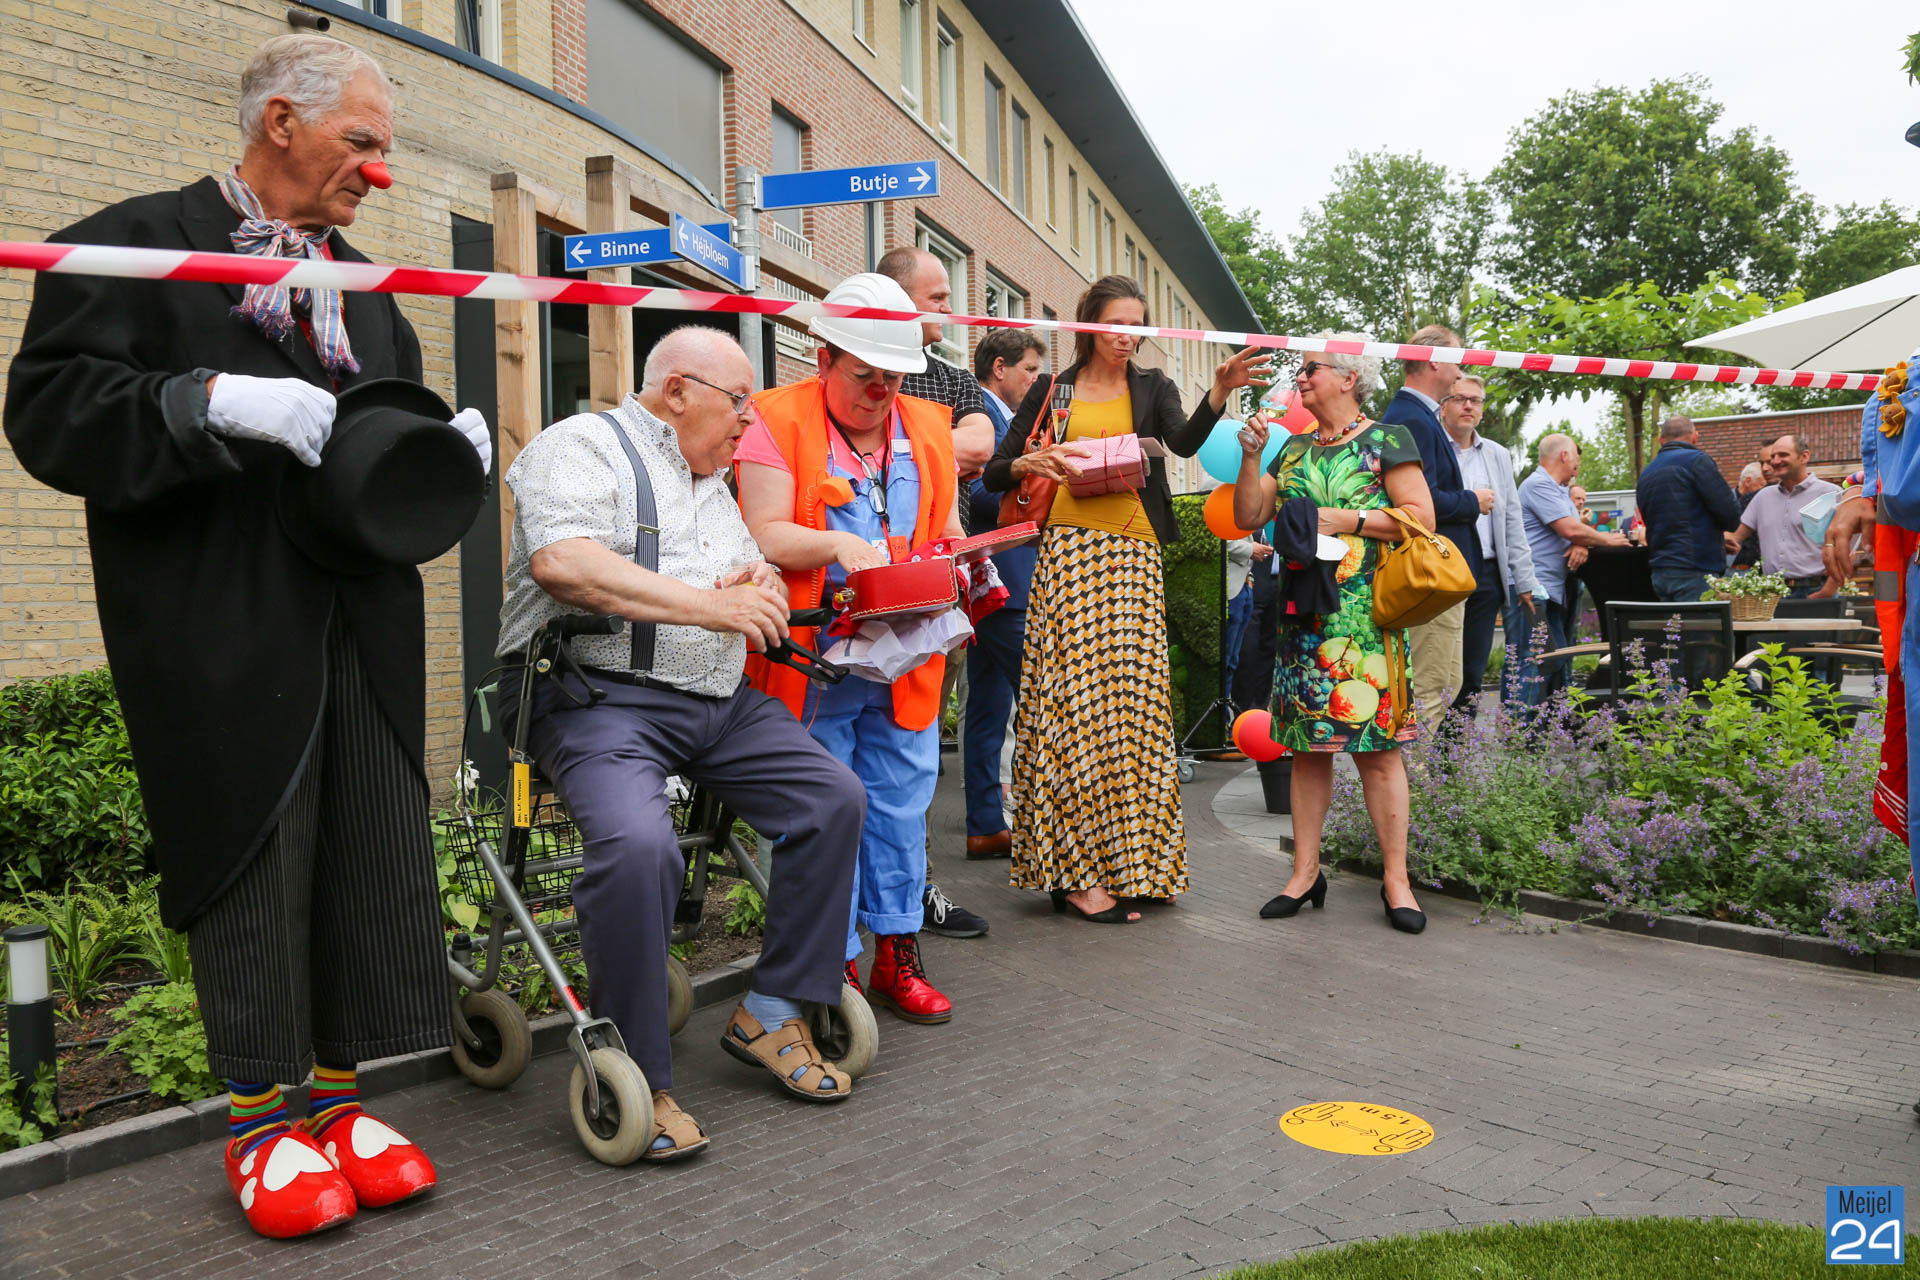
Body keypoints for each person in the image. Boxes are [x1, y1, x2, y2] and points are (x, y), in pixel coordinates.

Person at [2, 35, 492, 1237]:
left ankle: (342, 1100)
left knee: (368, 848)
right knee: (255, 862)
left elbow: (366, 448)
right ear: (281, 122)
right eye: (361, 142)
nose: (380, 171)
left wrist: (440, 455)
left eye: (385, 148)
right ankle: (260, 1122)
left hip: (362, 621)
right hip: (220, 629)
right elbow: (50, 412)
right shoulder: (130, 246)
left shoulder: (367, 289)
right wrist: (203, 399)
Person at [495, 326, 865, 1160]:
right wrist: (714, 606)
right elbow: (563, 563)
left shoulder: (715, 485)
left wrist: (757, 583)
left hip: (715, 702)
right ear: (677, 392)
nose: (750, 423)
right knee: (637, 847)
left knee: (833, 799)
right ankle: (636, 1072)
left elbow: (739, 581)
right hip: (592, 697)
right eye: (739, 403)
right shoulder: (581, 446)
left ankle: (773, 1010)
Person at [981, 274, 1270, 922]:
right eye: (1115, 323)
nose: (1126, 336)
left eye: (1137, 326)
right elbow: (998, 470)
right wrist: (1033, 462)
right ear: (1087, 323)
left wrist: (1220, 390)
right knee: (1075, 712)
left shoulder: (1153, 386)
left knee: (1135, 715)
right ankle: (1074, 873)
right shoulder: (1053, 391)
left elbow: (1184, 442)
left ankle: (1135, 865)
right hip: (1070, 559)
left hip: (1135, 558)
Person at [736, 271, 965, 1023]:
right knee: (822, 812)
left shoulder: (927, 426)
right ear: (824, 357)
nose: (880, 392)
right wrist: (837, 543)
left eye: (893, 377)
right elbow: (765, 532)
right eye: (865, 374)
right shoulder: (773, 419)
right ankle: (827, 965)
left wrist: (964, 560)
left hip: (907, 657)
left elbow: (946, 526)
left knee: (901, 807)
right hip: (811, 661)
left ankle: (896, 953)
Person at [1230, 341, 1433, 934]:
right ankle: (1304, 873)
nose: (1300, 378)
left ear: (1348, 378)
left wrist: (1342, 519)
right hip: (1303, 618)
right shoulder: (1292, 448)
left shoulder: (1388, 439)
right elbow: (1247, 517)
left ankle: (1396, 881)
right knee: (1307, 752)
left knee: (1378, 752)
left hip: (1366, 619)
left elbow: (1420, 518)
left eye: (1310, 369)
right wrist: (1250, 458)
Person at [873, 245, 992, 940]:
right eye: (938, 296)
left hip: (936, 591)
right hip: (860, 593)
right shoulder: (859, 371)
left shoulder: (948, 378)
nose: (951, 307)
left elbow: (978, 444)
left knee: (916, 753)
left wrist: (905, 440)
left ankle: (913, 889)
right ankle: (861, 896)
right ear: (897, 300)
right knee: (861, 749)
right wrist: (933, 447)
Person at [962, 327, 1046, 861]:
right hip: (1003, 583)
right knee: (1043, 702)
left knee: (988, 711)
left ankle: (986, 826)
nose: (1036, 381)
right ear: (1000, 368)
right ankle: (1045, 828)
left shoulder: (1004, 421)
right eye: (1030, 370)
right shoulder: (984, 421)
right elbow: (974, 492)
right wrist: (1038, 483)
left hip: (994, 584)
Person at [1378, 326, 1484, 726]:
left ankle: (1421, 768)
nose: (1461, 371)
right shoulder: (1412, 419)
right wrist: (1473, 501)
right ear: (1435, 360)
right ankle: (1413, 769)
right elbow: (1420, 503)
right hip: (1430, 577)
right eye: (1458, 359)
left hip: (1436, 578)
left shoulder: (1418, 415)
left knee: (1445, 684)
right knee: (1429, 688)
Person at [1439, 374, 1537, 717]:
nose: (1468, 406)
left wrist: (1524, 579)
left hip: (1485, 573)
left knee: (1472, 672)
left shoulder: (1497, 454)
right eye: (1460, 399)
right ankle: (1428, 745)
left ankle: (1458, 746)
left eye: (1476, 400)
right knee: (1438, 669)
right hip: (1440, 570)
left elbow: (1511, 518)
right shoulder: (1433, 448)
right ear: (1443, 406)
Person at [1517, 435, 1629, 703]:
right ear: (1565, 455)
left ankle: (1542, 719)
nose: (1578, 465)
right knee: (1534, 658)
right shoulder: (1538, 485)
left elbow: (1574, 530)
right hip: (1532, 586)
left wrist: (1582, 543)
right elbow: (1569, 529)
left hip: (1552, 587)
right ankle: (1517, 723)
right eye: (1577, 458)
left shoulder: (1559, 491)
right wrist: (1607, 540)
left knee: (1554, 657)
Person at [1634, 415, 1742, 602]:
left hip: (1660, 571)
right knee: (1700, 621)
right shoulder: (1697, 461)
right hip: (1696, 569)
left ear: (1660, 440)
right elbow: (1730, 516)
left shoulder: (1646, 474)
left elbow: (1664, 521)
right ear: (1695, 437)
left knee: (1674, 622)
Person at [1725, 433, 1842, 598]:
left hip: (1816, 590)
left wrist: (1829, 589)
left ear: (1804, 457)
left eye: (1783, 455)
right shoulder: (1762, 497)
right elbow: (1735, 537)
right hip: (1772, 594)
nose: (1775, 461)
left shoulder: (1831, 494)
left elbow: (1847, 548)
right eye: (1773, 456)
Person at [1731, 461, 1766, 569]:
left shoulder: (1763, 503)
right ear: (1748, 481)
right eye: (1762, 485)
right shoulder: (1724, 502)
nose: (1764, 490)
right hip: (1731, 568)